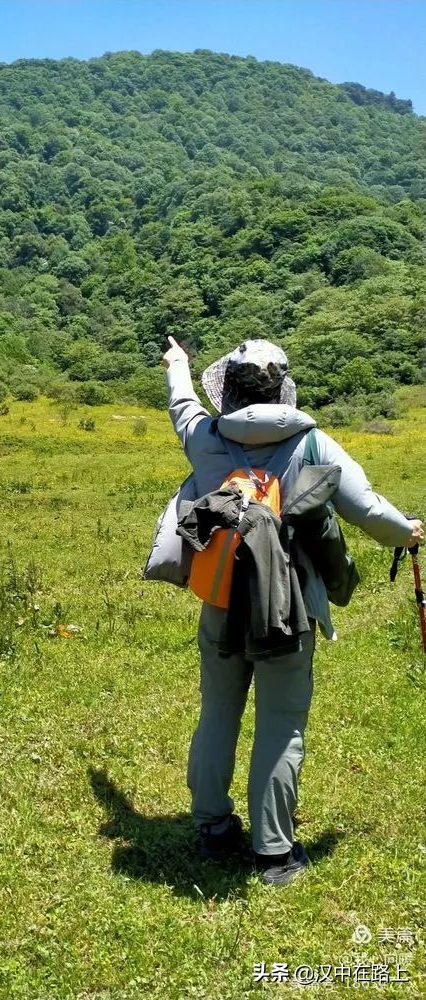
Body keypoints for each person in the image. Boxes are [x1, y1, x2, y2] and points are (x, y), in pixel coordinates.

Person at [162, 337, 423, 885]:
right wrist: (409, 532)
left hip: (220, 601)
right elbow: (369, 510)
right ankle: (275, 854)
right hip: (290, 607)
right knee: (281, 727)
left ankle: (212, 828)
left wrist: (178, 364)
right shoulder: (313, 443)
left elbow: (182, 404)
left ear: (227, 393)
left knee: (218, 712)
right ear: (282, 389)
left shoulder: (206, 438)